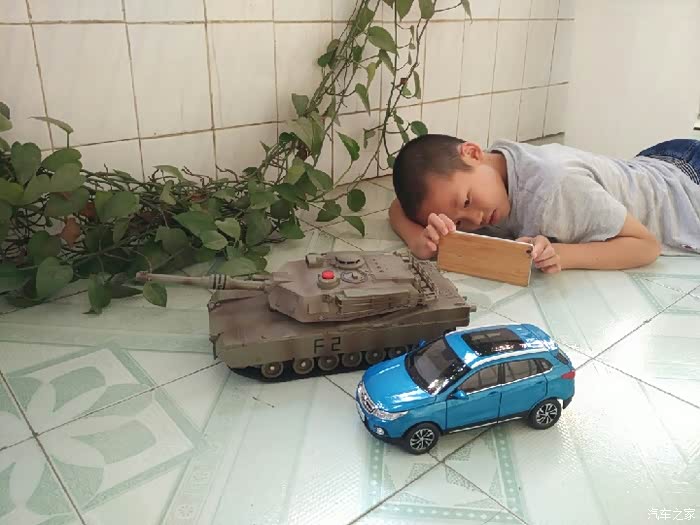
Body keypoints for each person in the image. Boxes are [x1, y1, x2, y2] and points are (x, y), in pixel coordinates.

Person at [388, 134, 700, 273]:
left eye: (467, 201)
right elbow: (397, 207)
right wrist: (419, 242)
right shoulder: (490, 170)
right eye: (459, 222)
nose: (475, 219)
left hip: (687, 184)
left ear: (472, 153)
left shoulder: (554, 190)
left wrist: (560, 254)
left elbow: (645, 246)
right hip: (654, 163)